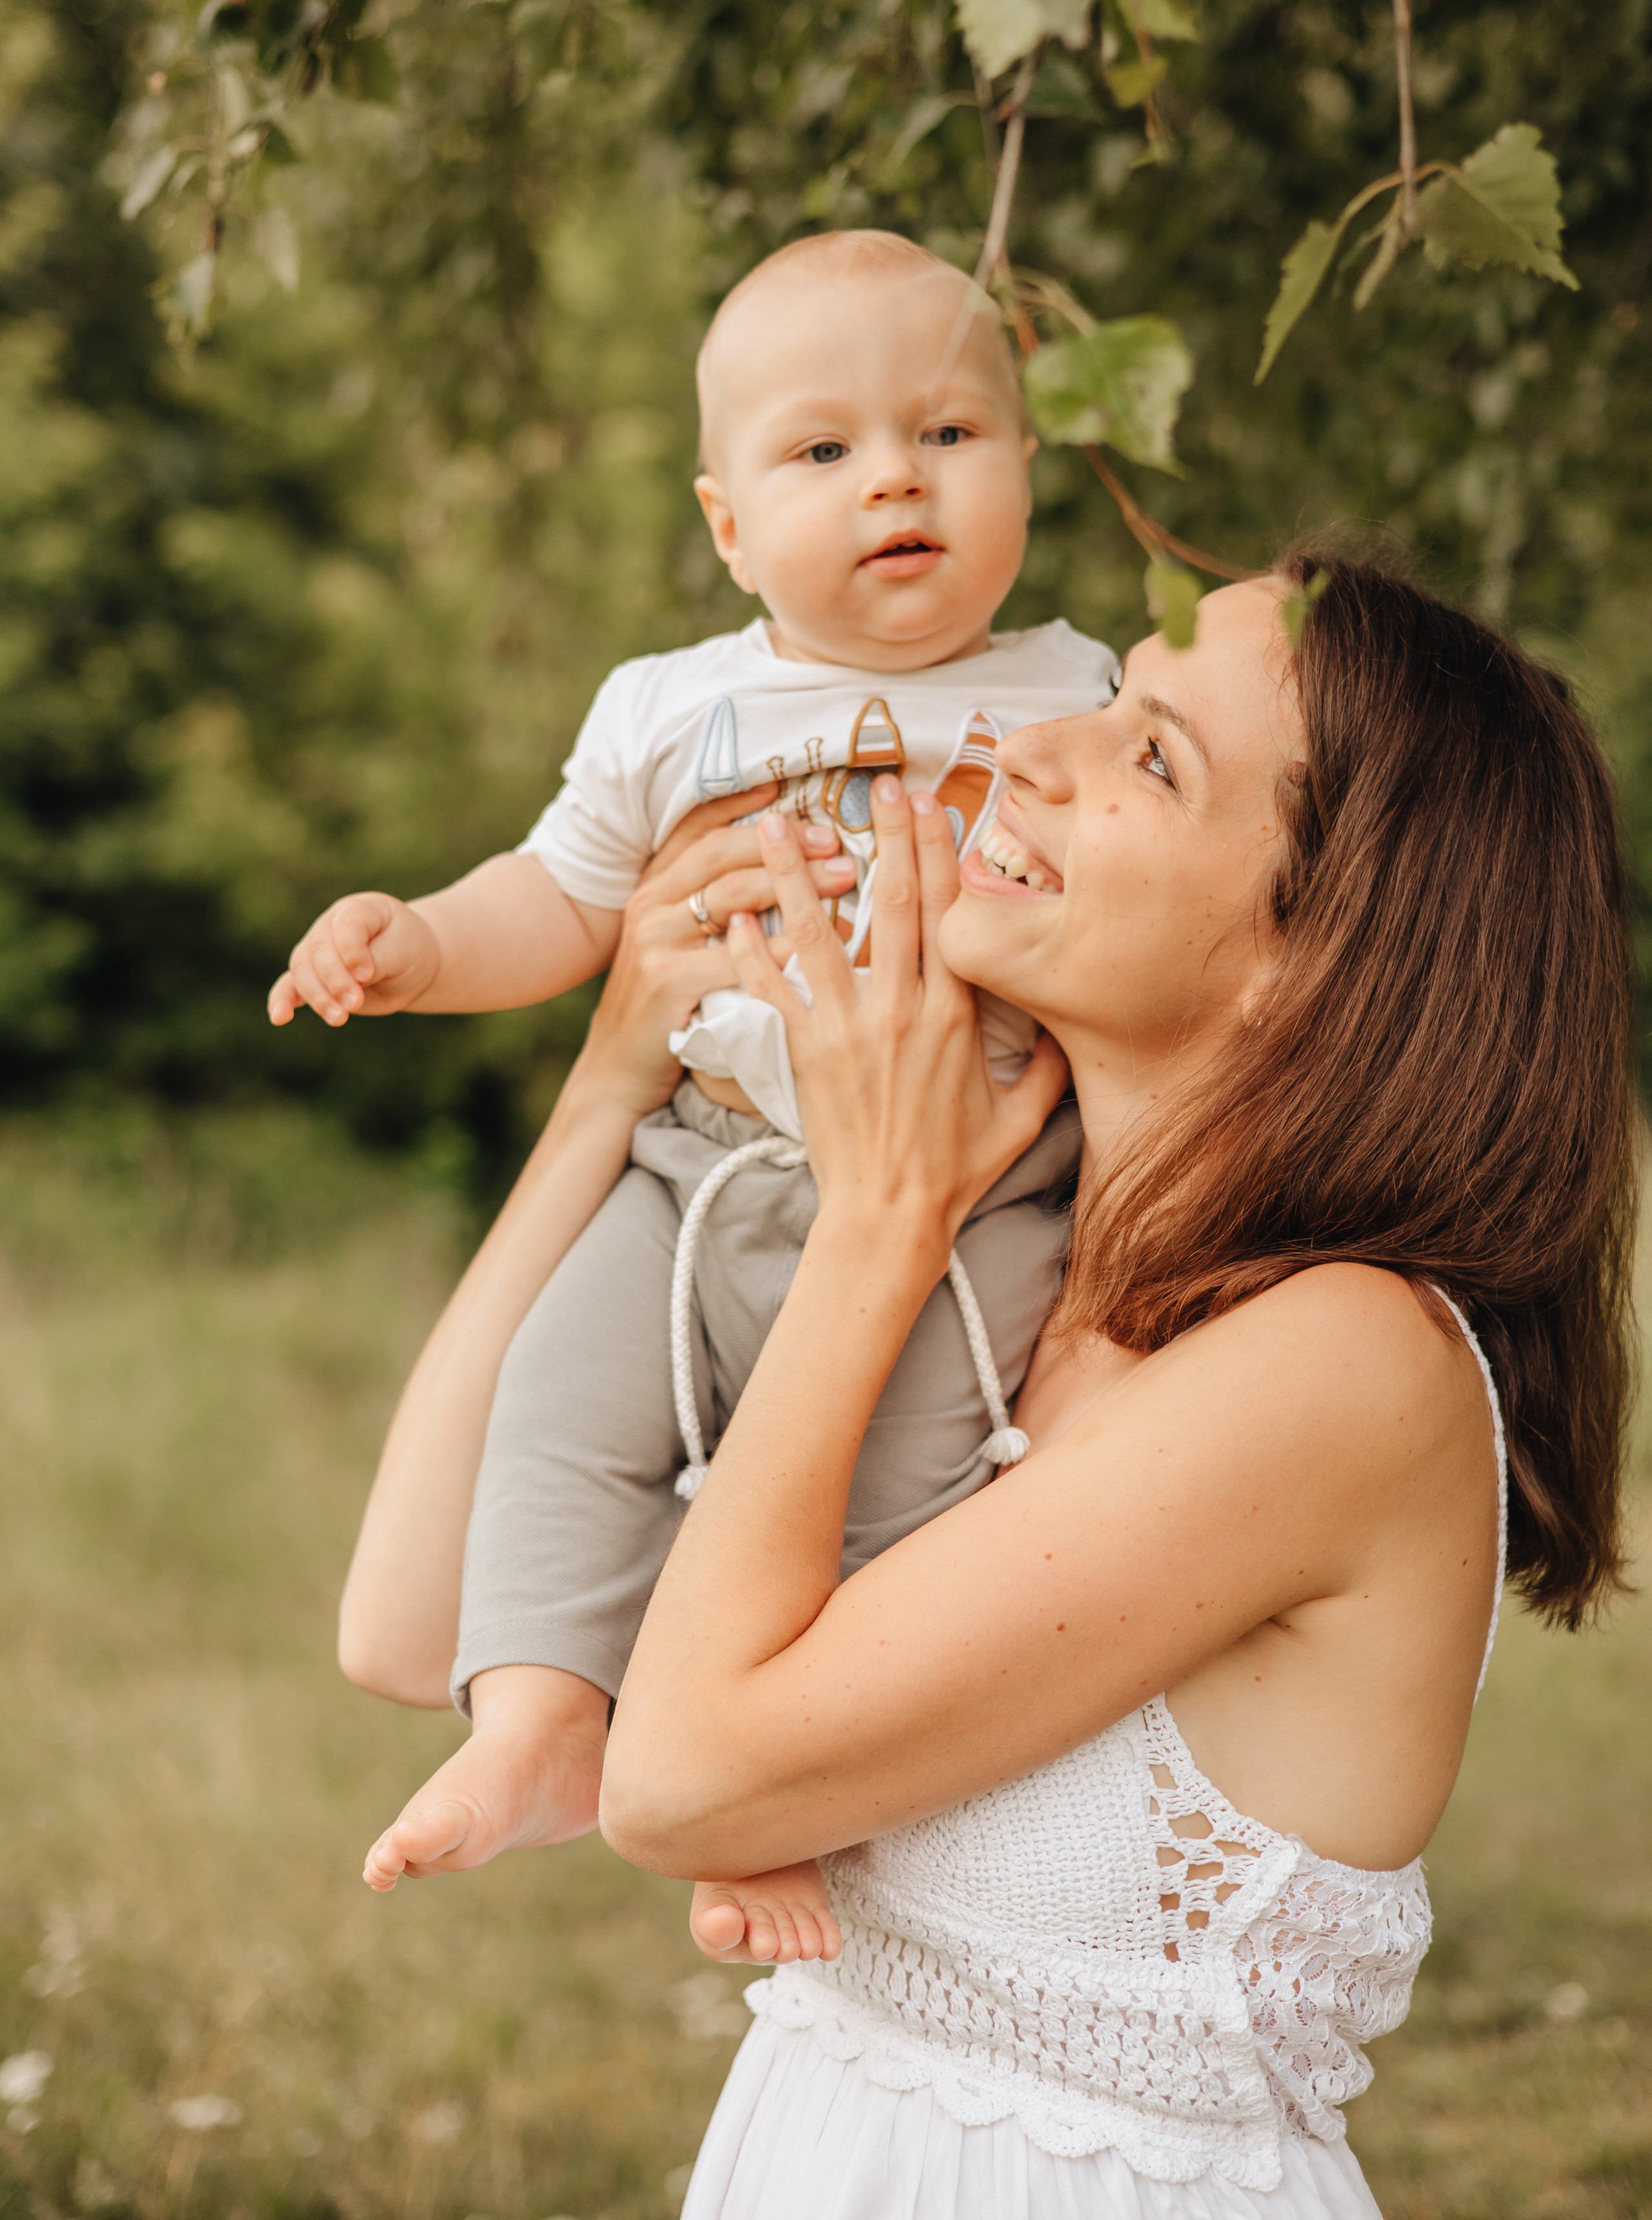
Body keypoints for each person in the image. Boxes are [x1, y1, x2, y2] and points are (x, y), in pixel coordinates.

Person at [345, 544, 1633, 2215]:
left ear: (1315, 964)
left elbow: (678, 1782)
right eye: (1104, 701)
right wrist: (614, 1082)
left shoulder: (1345, 1364)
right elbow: (408, 1619)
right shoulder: (1027, 1270)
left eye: (1152, 757)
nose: (1030, 748)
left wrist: (882, 1217)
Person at [283, 230, 1116, 1926]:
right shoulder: (680, 708)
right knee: (562, 1419)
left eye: (948, 434)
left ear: (1025, 463)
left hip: (972, 1200)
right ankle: (539, 1725)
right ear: (729, 524)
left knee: (907, 1503)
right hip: (697, 1176)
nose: (895, 477)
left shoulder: (1076, 694)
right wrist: (419, 943)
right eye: (825, 450)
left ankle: (776, 1795)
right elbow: (563, 893)